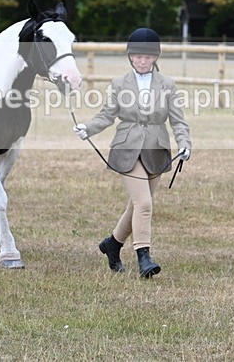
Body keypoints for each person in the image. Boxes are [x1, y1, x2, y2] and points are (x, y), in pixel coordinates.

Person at [73, 27, 192, 278]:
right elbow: (107, 115)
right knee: (144, 203)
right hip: (127, 148)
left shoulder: (168, 84)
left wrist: (185, 143)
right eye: (137, 56)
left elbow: (178, 121)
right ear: (130, 57)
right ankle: (144, 257)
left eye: (147, 57)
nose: (142, 61)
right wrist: (88, 128)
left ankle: (112, 245)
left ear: (155, 58)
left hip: (156, 150)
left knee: (135, 206)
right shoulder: (119, 84)